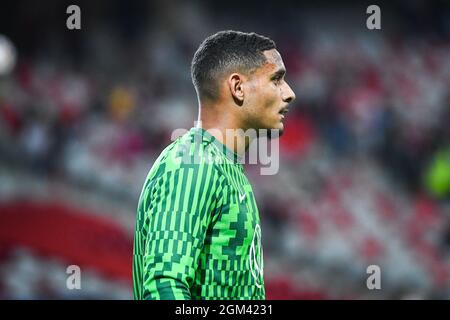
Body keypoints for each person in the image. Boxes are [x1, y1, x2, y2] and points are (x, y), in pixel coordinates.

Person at [132, 30, 296, 300]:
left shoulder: (226, 169)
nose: (289, 93)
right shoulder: (193, 164)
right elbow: (163, 288)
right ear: (238, 87)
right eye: (276, 79)